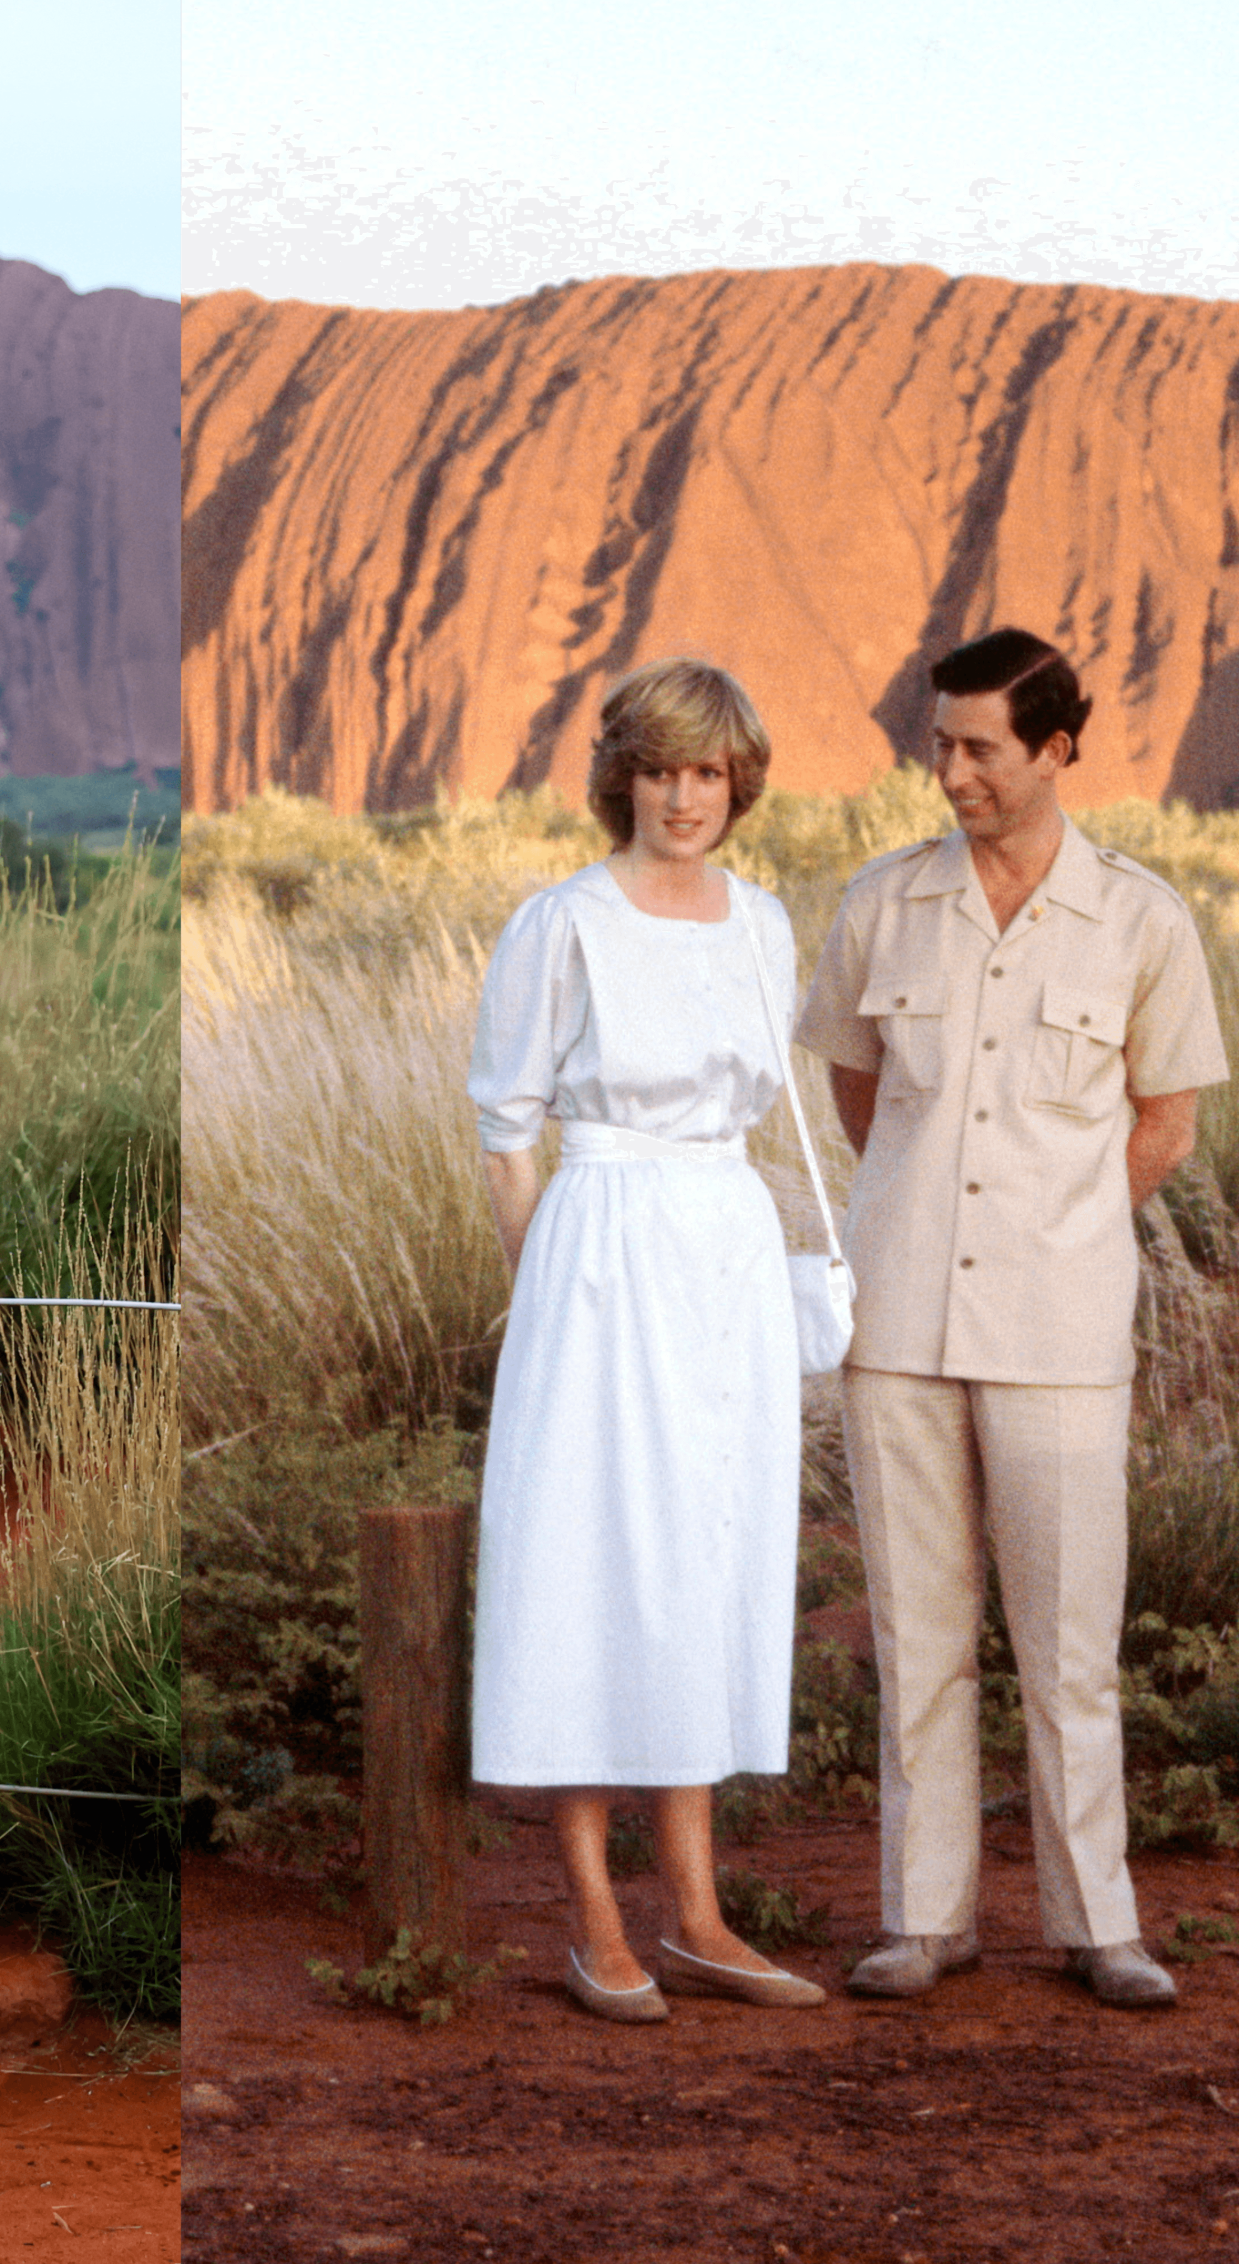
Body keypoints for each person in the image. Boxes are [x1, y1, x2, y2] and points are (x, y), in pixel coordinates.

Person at [795, 627, 1228, 2009]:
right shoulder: (883, 904)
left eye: (981, 747)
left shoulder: (1144, 919)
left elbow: (1167, 1118)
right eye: (941, 745)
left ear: (1054, 749)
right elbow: (859, 1097)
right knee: (918, 1633)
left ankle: (1100, 1926)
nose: (953, 772)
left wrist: (1057, 1219)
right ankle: (927, 1920)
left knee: (1066, 1638)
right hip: (901, 1323)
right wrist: (928, 1209)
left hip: (1059, 1328)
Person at [467, 657, 825, 2024]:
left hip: (723, 1243)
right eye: (664, 770)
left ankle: (703, 1913)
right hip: (599, 1246)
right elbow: (508, 1130)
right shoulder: (562, 921)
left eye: (712, 773)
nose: (687, 797)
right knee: (588, 1553)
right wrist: (548, 1286)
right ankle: (594, 1912)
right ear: (625, 775)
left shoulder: (764, 923)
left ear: (741, 784)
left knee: (705, 1557)